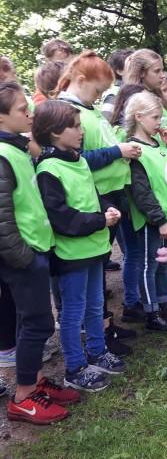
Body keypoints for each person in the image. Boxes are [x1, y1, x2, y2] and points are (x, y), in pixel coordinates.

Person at [33, 100, 127, 391]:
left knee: (96, 306)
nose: (81, 130)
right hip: (71, 254)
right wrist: (100, 221)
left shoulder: (80, 159)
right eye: (74, 126)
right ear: (55, 132)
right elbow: (60, 216)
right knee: (73, 314)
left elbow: (93, 194)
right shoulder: (49, 169)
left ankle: (97, 352)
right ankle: (75, 367)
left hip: (95, 249)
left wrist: (108, 208)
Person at [0, 82, 77, 424]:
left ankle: (31, 382)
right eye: (21, 109)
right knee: (38, 323)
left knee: (30, 322)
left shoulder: (17, 148)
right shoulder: (2, 157)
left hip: (35, 249)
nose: (29, 114)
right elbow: (2, 219)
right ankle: (23, 398)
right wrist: (24, 258)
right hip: (23, 256)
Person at [56, 51, 139, 356]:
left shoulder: (86, 110)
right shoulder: (66, 114)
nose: (100, 97)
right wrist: (117, 151)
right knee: (92, 273)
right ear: (80, 80)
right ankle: (96, 334)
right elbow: (77, 159)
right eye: (97, 90)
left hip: (109, 194)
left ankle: (103, 327)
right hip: (92, 199)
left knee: (100, 266)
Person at [124, 91, 167, 331]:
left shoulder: (159, 142)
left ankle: (166, 306)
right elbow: (141, 192)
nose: (159, 122)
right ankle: (151, 313)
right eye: (155, 117)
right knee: (149, 266)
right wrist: (159, 220)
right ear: (139, 117)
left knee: (164, 264)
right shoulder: (134, 150)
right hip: (153, 220)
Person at [100, 49, 134, 124]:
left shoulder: (133, 91)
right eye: (131, 66)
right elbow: (105, 124)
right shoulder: (114, 93)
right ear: (119, 71)